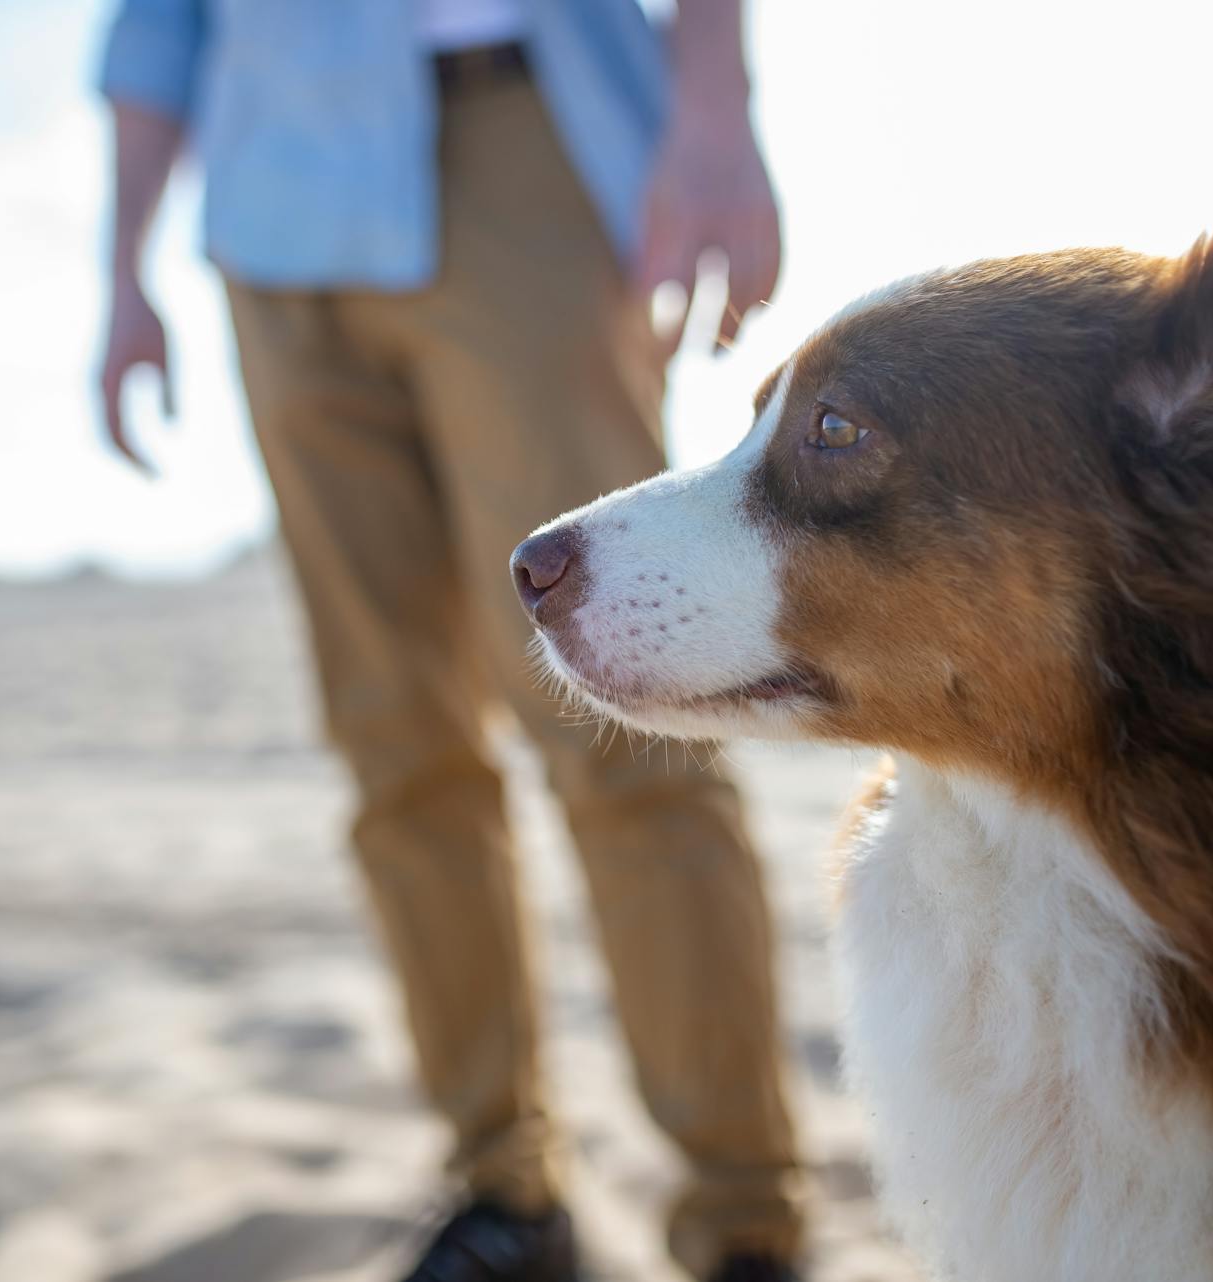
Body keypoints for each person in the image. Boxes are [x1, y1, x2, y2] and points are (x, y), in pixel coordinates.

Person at [95, 4, 803, 1280]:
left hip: (521, 140)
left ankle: (744, 1220)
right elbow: (156, 27)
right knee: (393, 739)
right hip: (270, 210)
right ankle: (504, 1192)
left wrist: (716, 113)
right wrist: (119, 268)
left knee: (632, 703)